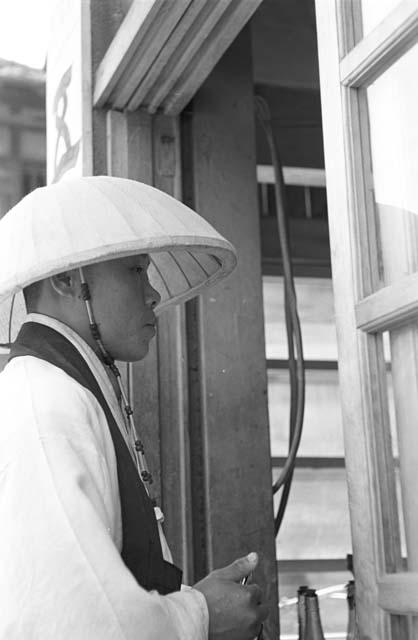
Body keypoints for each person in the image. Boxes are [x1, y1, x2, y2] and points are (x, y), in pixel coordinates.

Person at [0, 176, 269, 639]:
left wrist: (192, 600)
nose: (153, 293)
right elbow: (71, 619)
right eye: (134, 270)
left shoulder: (62, 386)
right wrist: (200, 614)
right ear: (67, 278)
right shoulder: (43, 400)